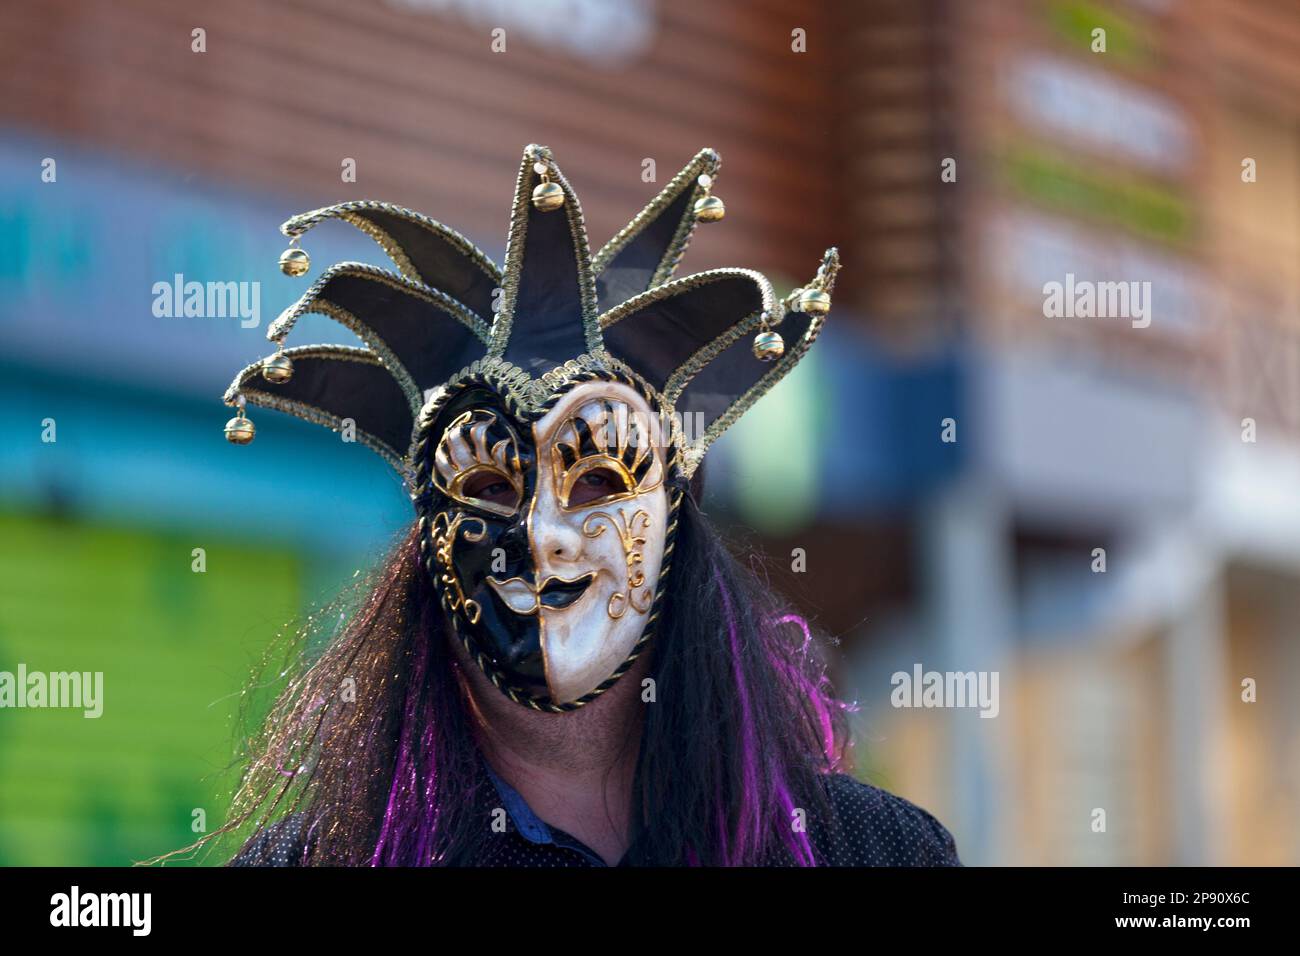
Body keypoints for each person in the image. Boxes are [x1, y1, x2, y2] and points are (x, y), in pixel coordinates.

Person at [199, 145, 959, 867]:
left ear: (674, 525)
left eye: (598, 479)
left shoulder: (867, 849)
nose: (542, 535)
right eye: (490, 487)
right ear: (430, 546)